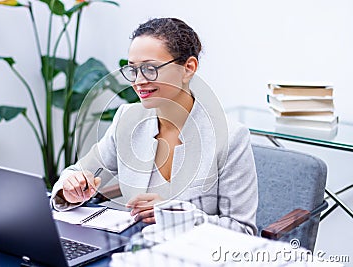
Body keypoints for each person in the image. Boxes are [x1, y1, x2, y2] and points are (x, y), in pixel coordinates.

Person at [51, 17, 258, 235]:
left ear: (188, 68)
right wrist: (69, 189)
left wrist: (181, 217)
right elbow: (77, 172)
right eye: (133, 70)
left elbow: (243, 230)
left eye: (150, 69)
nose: (138, 81)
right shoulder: (127, 119)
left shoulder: (230, 136)